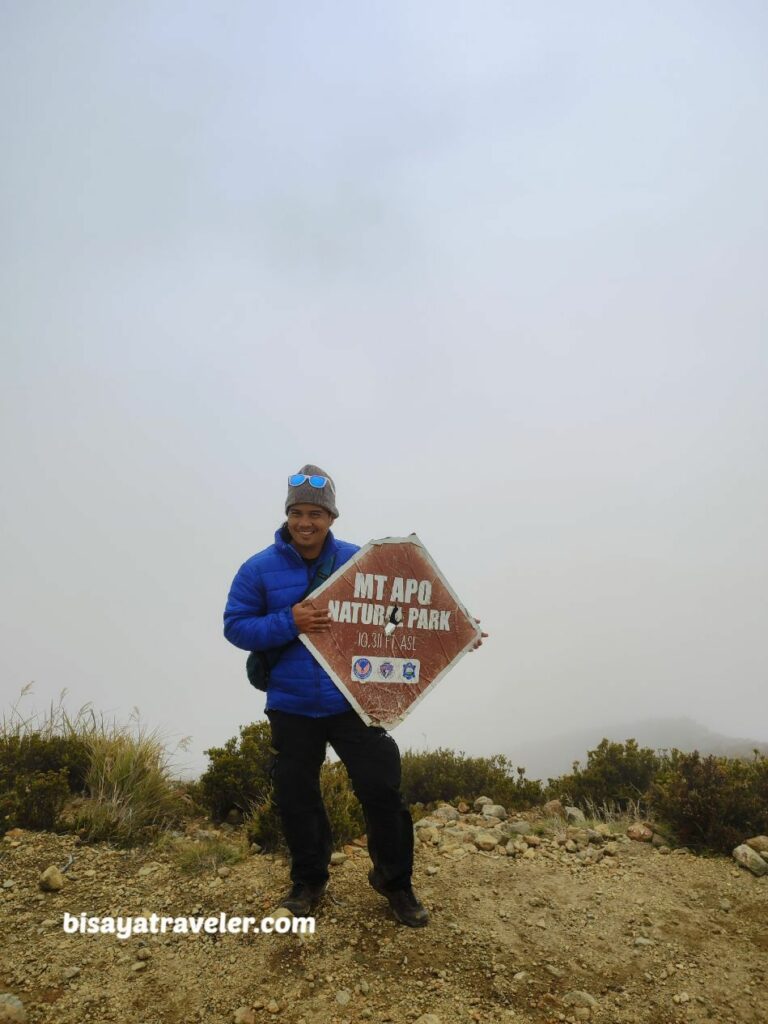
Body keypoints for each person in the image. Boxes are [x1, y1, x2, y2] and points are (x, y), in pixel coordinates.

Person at [222, 465, 429, 927]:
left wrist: (456, 631)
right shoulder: (258, 569)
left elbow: (406, 613)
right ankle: (309, 882)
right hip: (291, 704)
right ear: (287, 515)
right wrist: (288, 622)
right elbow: (235, 626)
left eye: (316, 513)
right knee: (297, 796)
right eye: (297, 512)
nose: (306, 522)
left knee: (382, 791)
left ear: (331, 517)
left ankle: (395, 884)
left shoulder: (360, 561)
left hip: (354, 699)